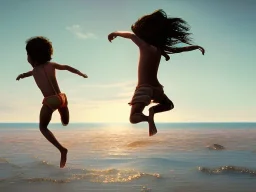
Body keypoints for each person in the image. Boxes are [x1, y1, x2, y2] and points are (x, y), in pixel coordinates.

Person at [108, 9, 205, 136]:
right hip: (157, 88)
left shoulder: (144, 46)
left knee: (133, 118)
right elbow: (178, 50)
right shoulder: (158, 49)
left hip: (144, 88)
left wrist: (116, 33)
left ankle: (148, 118)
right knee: (169, 105)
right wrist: (196, 47)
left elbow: (131, 36)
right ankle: (153, 110)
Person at [16, 36, 88, 168]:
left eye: (27, 54)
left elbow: (30, 73)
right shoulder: (51, 65)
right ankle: (64, 114)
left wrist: (22, 75)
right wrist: (80, 73)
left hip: (50, 101)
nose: (27, 57)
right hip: (62, 98)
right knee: (65, 122)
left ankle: (62, 149)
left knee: (42, 127)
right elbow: (66, 67)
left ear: (33, 57)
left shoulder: (35, 70)